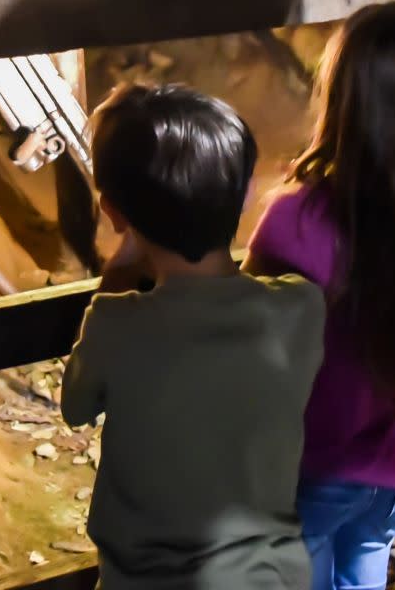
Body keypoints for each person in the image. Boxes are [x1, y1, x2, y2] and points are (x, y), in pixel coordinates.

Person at [244, 3, 395, 590]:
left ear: (346, 97)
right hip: (385, 477)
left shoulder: (295, 221)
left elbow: (242, 334)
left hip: (310, 472)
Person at [61, 85, 326, 590]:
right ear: (247, 194)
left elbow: (76, 404)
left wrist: (116, 278)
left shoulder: (116, 322)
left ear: (113, 212)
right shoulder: (299, 309)